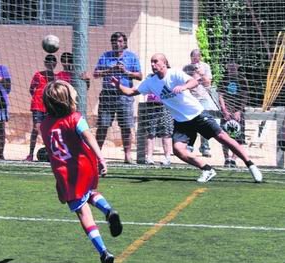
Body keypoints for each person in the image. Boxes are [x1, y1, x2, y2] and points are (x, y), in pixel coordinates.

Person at [112, 53, 262, 183]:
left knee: (222, 137)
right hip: (181, 121)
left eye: (156, 61)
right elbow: (131, 91)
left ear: (164, 63)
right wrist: (119, 86)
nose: (153, 64)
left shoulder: (175, 74)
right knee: (178, 150)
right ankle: (207, 169)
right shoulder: (150, 82)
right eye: (151, 62)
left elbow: (194, 81)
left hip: (196, 114)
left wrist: (184, 87)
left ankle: (251, 165)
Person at [40, 80, 122, 263]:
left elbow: (52, 155)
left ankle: (104, 253)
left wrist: (57, 181)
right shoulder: (75, 118)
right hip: (84, 165)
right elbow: (88, 137)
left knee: (83, 213)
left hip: (65, 173)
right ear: (68, 100)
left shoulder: (43, 126)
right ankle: (108, 210)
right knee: (90, 191)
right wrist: (101, 158)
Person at [93, 31, 143, 164]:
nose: (117, 44)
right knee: (103, 126)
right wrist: (110, 70)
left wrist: (126, 72)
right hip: (108, 95)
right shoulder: (105, 56)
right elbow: (96, 74)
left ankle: (127, 156)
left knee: (126, 126)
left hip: (125, 95)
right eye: (114, 41)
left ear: (125, 43)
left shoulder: (131, 57)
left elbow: (140, 76)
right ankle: (97, 156)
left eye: (120, 41)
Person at [183, 49, 218, 157]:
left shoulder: (205, 67)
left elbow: (208, 83)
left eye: (197, 57)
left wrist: (200, 73)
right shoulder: (186, 68)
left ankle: (205, 148)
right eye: (193, 57)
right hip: (190, 98)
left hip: (203, 98)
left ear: (200, 57)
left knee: (205, 123)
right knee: (189, 123)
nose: (195, 59)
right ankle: (189, 146)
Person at [25, 54, 57, 161]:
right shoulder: (38, 75)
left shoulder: (56, 78)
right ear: (45, 63)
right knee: (36, 128)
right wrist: (37, 98)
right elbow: (31, 89)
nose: (50, 64)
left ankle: (50, 153)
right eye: (48, 62)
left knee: (49, 130)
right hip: (37, 105)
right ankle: (30, 154)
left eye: (52, 63)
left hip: (49, 107)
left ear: (55, 64)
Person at [218, 61, 249, 168]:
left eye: (234, 65)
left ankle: (234, 159)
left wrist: (239, 111)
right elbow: (220, 95)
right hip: (226, 112)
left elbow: (245, 96)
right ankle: (227, 159)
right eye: (229, 65)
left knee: (238, 137)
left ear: (237, 66)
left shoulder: (242, 79)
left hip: (237, 113)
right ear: (227, 66)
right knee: (224, 136)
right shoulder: (224, 79)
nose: (231, 67)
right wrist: (224, 110)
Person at [145, 93, 173, 166]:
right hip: (151, 104)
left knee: (166, 132)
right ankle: (149, 157)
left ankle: (168, 158)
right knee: (150, 133)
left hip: (166, 104)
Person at [0, 50, 11, 160]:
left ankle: (1, 153)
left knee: (1, 129)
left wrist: (1, 80)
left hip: (0, 102)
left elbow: (8, 85)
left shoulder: (2, 68)